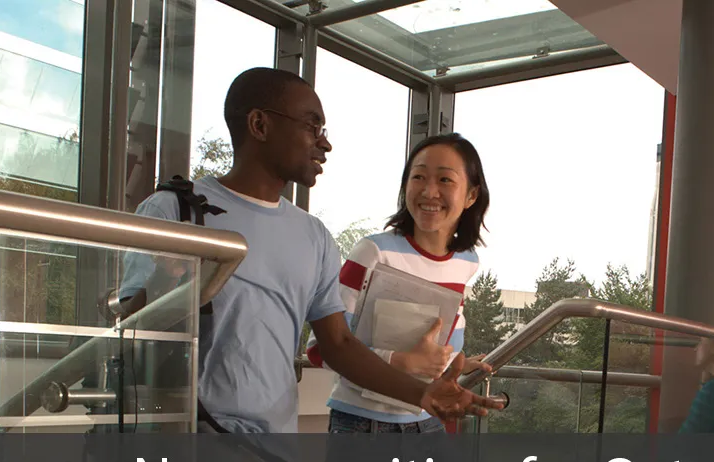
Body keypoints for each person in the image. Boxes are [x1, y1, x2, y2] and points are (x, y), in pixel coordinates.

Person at [119, 67, 501, 435]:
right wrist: (164, 280)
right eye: (311, 126)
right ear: (260, 125)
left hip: (274, 447)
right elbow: (127, 335)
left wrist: (421, 393)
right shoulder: (173, 211)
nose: (324, 142)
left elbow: (338, 345)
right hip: (188, 438)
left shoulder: (314, 235)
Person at [306, 133, 493, 434]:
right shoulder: (374, 253)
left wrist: (455, 361)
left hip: (428, 420)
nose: (429, 191)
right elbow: (320, 349)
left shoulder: (466, 262)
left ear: (471, 195)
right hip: (363, 425)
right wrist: (401, 362)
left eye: (445, 180)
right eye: (418, 176)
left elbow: (437, 335)